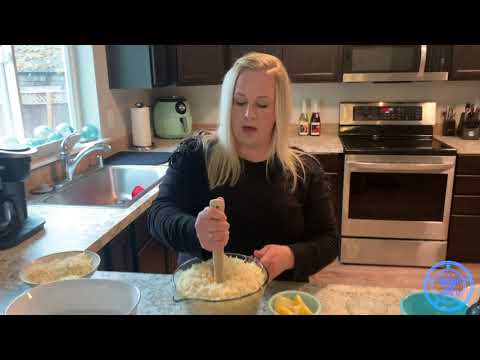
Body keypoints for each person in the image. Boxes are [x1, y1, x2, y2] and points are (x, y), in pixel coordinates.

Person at [147, 52, 339, 282]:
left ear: (279, 110)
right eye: (240, 102)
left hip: (278, 297)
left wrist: (291, 256)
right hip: (205, 296)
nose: (249, 114)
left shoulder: (304, 170)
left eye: (262, 104)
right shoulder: (195, 155)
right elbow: (158, 215)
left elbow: (329, 240)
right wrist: (194, 230)